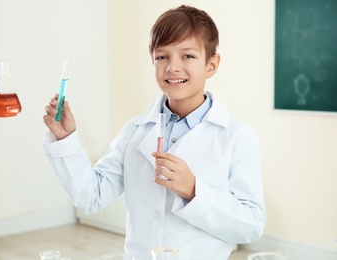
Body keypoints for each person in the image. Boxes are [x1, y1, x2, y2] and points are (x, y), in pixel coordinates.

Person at [42, 5, 266, 259]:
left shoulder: (238, 137)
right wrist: (65, 139)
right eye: (162, 57)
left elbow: (252, 225)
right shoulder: (136, 130)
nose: (173, 67)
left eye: (188, 56)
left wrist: (194, 190)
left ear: (211, 65)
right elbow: (90, 197)